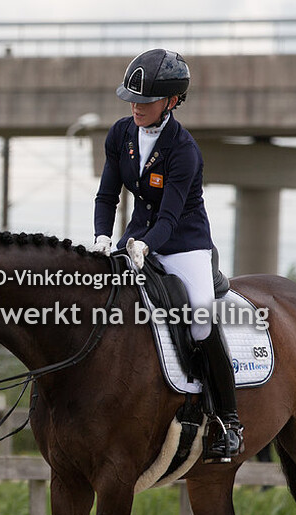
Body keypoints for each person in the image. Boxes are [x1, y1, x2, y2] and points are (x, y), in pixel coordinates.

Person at [91, 49, 244, 461]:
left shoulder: (184, 150)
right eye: (132, 100)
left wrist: (145, 245)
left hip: (184, 242)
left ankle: (227, 420)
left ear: (171, 102)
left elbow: (172, 217)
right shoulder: (120, 134)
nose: (136, 107)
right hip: (136, 235)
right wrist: (103, 237)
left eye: (145, 101)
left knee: (198, 316)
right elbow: (107, 195)